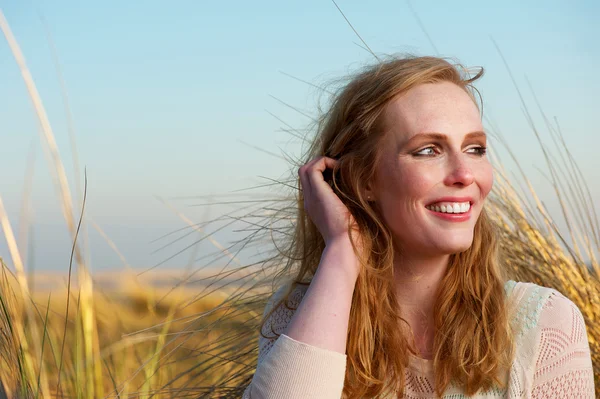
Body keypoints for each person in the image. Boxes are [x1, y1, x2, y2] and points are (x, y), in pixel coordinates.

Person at [241, 55, 595, 398]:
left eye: (475, 148)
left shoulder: (544, 325)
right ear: (364, 180)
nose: (465, 174)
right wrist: (342, 249)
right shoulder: (300, 312)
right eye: (428, 150)